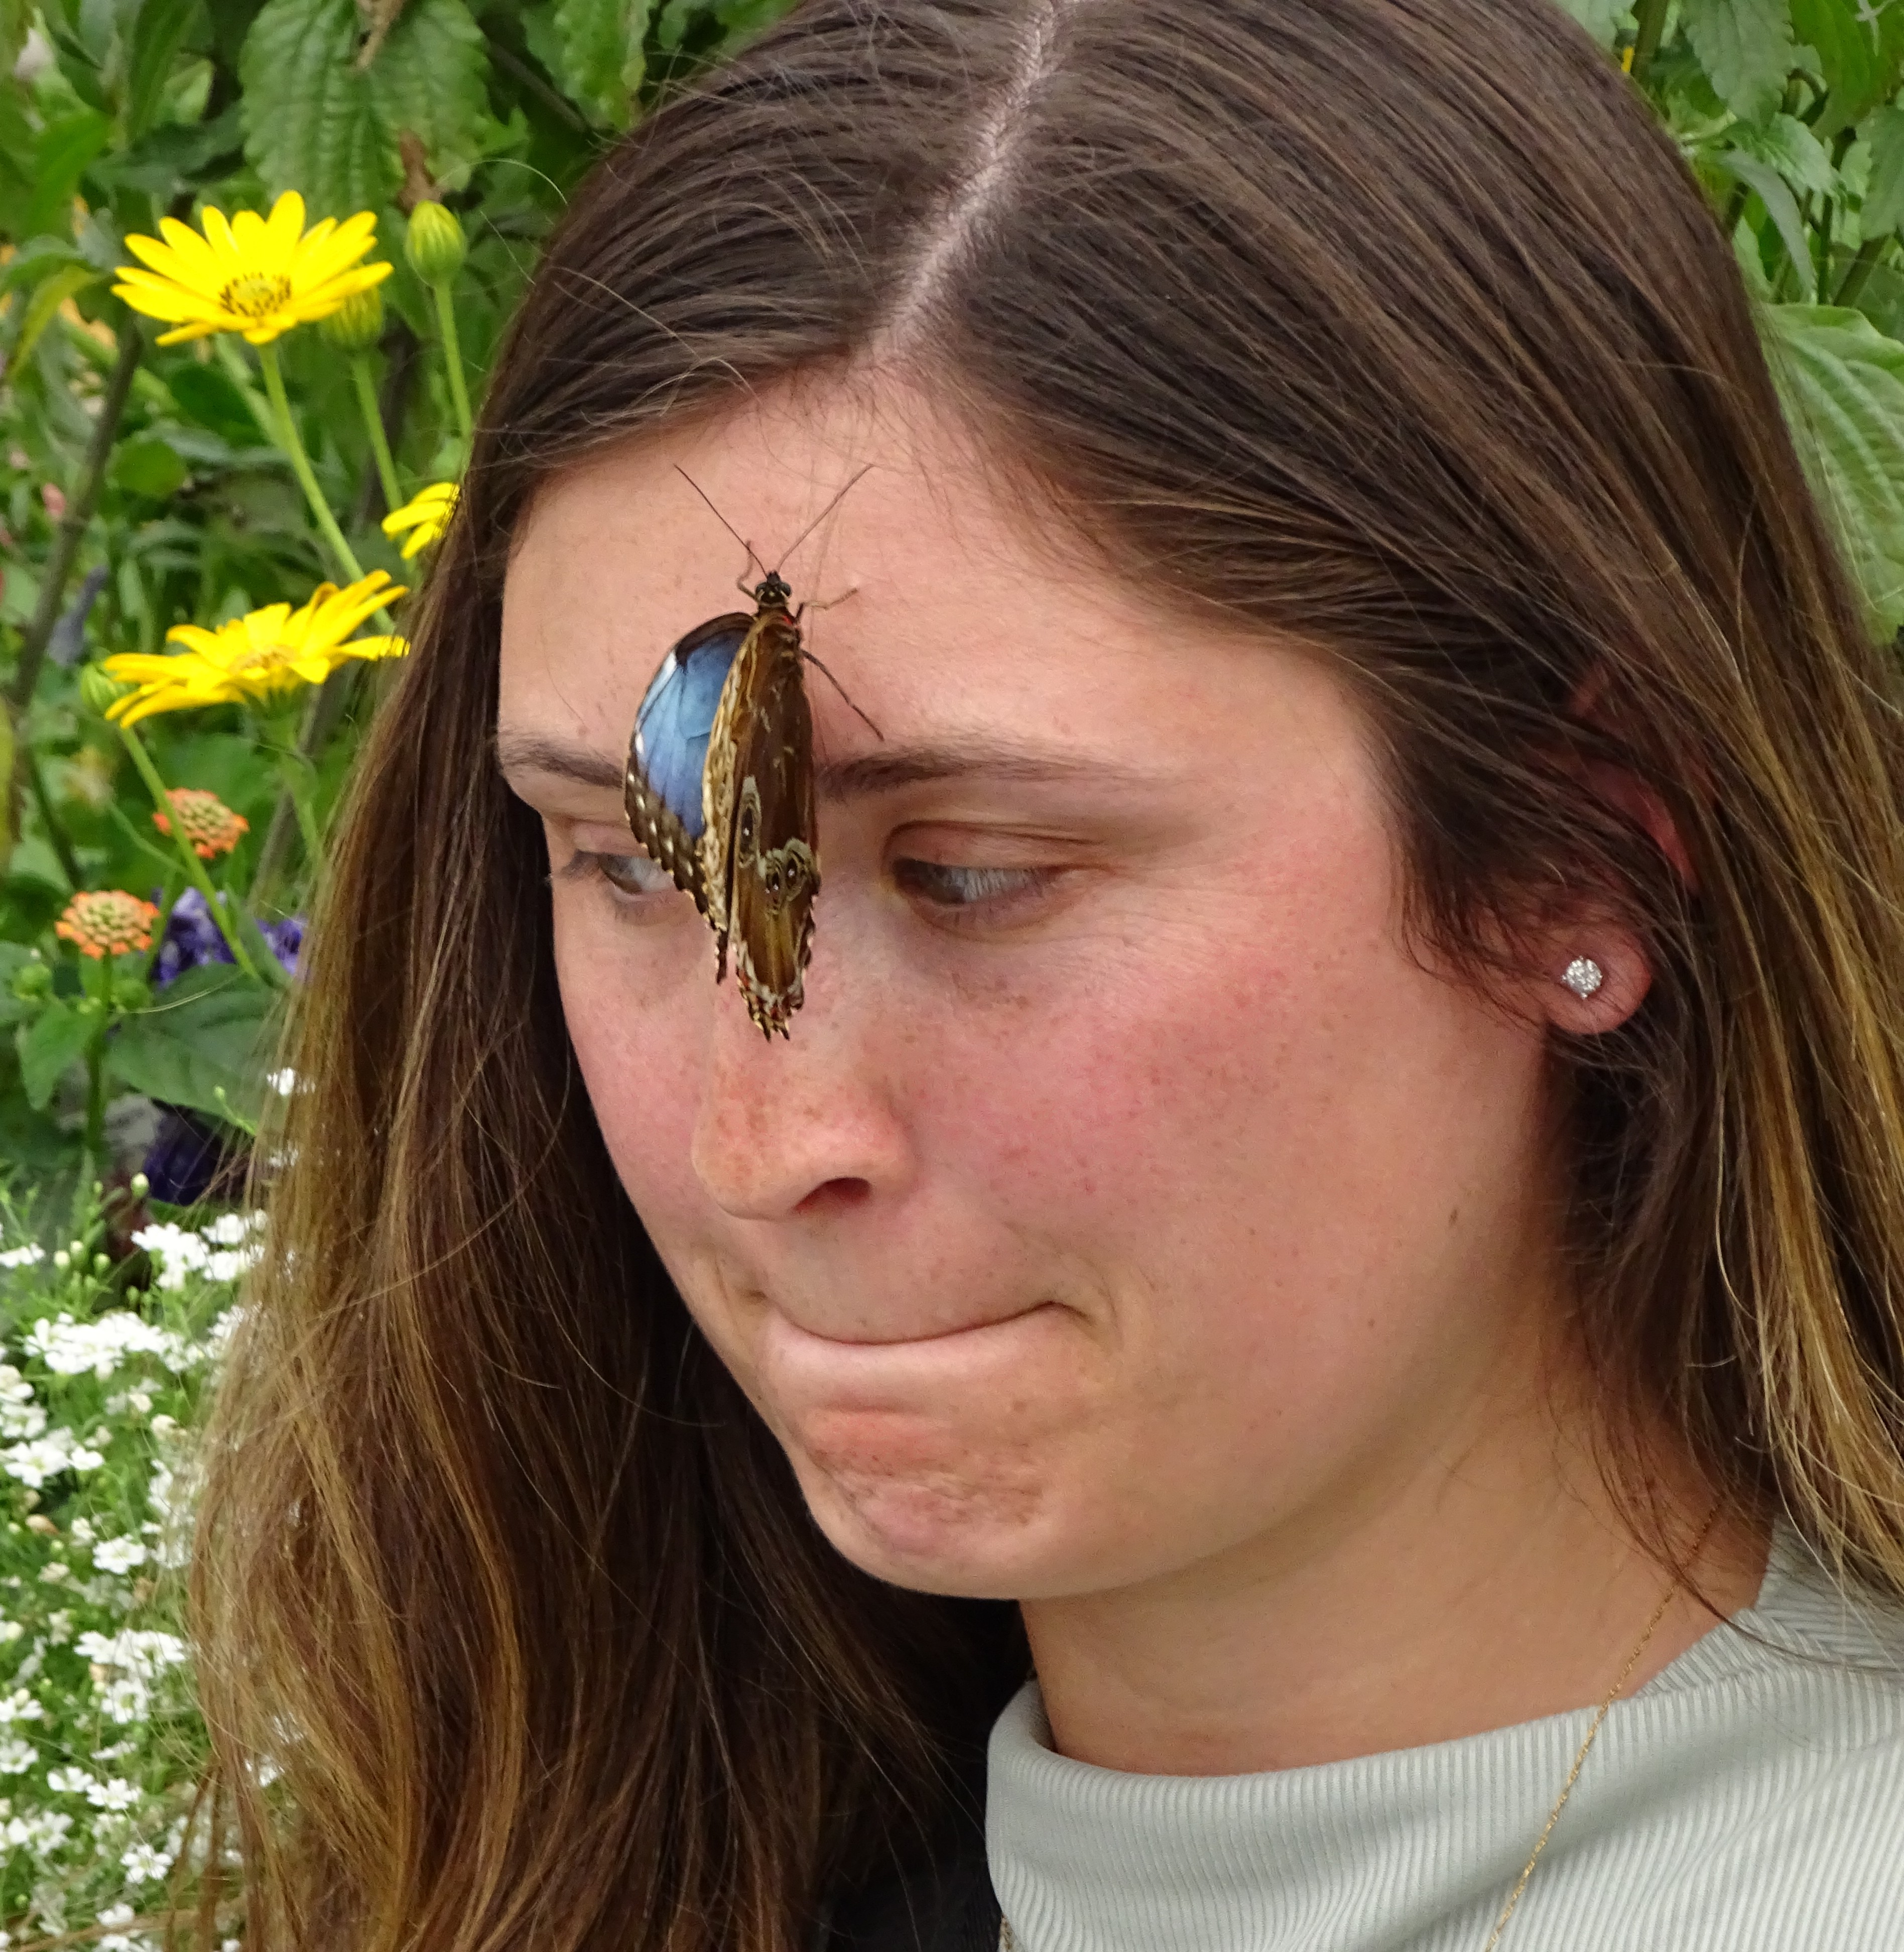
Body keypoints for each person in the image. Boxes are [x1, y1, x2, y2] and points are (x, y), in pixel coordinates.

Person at [192, 2, 1904, 1947]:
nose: (763, 1139)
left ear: (1580, 844)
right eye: (620, 861)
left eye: (979, 874)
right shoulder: (605, 1853)